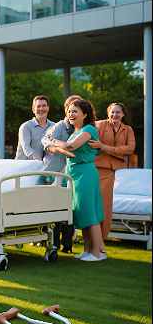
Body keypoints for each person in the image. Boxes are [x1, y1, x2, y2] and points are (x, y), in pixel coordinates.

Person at [49, 100, 106, 261]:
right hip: (74, 175)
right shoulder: (76, 131)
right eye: (69, 111)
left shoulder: (88, 129)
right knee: (81, 213)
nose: (70, 114)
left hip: (85, 174)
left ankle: (97, 253)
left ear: (85, 114)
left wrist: (53, 141)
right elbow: (67, 150)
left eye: (75, 111)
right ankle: (88, 251)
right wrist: (58, 146)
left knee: (89, 213)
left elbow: (71, 147)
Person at [42, 94, 83, 253]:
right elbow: (46, 140)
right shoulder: (60, 126)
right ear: (67, 109)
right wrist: (58, 148)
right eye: (71, 108)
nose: (73, 112)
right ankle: (54, 244)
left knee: (70, 210)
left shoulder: (82, 127)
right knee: (55, 210)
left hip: (73, 175)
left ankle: (67, 245)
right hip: (55, 172)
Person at [91, 102, 136, 239]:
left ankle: (100, 238)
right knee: (99, 204)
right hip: (98, 168)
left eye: (118, 112)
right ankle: (96, 237)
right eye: (112, 112)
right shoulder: (98, 125)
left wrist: (105, 147)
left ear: (123, 114)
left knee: (105, 205)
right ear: (108, 113)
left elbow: (130, 149)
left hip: (115, 170)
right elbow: (92, 145)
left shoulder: (127, 129)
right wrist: (116, 151)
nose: (114, 114)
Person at [15, 96, 52, 161]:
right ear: (33, 110)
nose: (41, 108)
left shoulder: (54, 126)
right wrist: (40, 162)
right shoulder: (25, 127)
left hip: (45, 168)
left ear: (48, 108)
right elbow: (27, 149)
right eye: (38, 106)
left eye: (44, 106)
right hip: (24, 168)